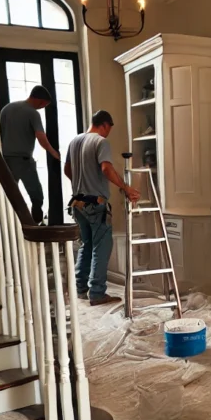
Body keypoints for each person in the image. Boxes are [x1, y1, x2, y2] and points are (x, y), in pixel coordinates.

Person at [63, 110, 141, 306]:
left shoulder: (75, 141)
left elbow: (67, 169)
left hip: (77, 202)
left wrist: (81, 182)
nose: (108, 134)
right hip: (95, 204)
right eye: (109, 129)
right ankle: (97, 293)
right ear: (105, 125)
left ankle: (81, 288)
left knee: (86, 244)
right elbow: (106, 168)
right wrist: (125, 187)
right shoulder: (100, 141)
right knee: (102, 247)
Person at [0, 85, 58, 224]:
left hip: (6, 159)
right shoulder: (32, 113)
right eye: (44, 105)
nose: (43, 108)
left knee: (10, 195)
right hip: (23, 160)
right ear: (40, 101)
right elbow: (41, 136)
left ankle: (11, 224)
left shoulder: (7, 109)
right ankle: (36, 223)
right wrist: (54, 152)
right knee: (37, 195)